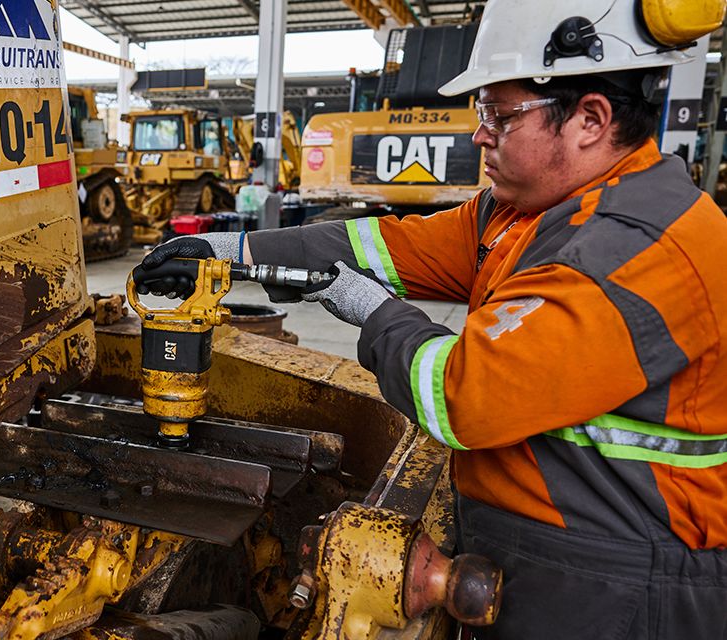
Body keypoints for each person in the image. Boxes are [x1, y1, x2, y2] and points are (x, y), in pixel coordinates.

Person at [132, 0, 727, 637]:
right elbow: (374, 248)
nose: (479, 135)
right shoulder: (525, 214)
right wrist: (228, 252)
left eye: (500, 115)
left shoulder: (642, 249)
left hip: (621, 585)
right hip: (547, 552)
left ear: (589, 118)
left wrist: (373, 312)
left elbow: (466, 397)